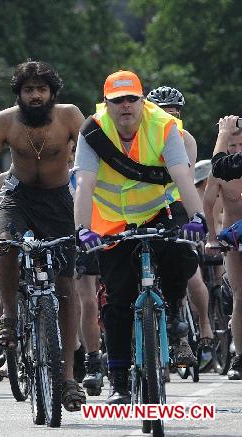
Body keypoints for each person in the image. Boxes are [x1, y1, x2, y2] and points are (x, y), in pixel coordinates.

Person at [73, 70, 205, 404]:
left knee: (182, 254)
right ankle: (118, 379)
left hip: (161, 208)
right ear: (107, 104)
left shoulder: (163, 126)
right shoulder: (92, 132)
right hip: (113, 220)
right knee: (117, 300)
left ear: (142, 100)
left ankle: (174, 311)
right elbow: (84, 186)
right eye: (117, 101)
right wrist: (82, 230)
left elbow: (183, 179)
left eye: (132, 98)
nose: (126, 106)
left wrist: (199, 218)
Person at [0, 60, 86, 411]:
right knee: (4, 244)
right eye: (28, 90)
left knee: (66, 288)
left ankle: (67, 378)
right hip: (17, 198)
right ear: (18, 94)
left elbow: (96, 160)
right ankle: (8, 315)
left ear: (52, 93)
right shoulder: (3, 122)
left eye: (41, 90)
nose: (35, 95)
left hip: (60, 202)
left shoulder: (69, 116)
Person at [147, 86, 214, 361]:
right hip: (138, 210)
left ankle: (195, 329)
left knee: (189, 270)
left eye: (173, 115)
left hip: (174, 208)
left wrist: (196, 221)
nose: (168, 120)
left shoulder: (185, 139)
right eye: (162, 114)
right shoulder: (140, 139)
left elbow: (184, 180)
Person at [205, 115, 242, 379]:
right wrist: (212, 237)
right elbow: (208, 203)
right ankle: (240, 356)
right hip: (233, 237)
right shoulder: (221, 170)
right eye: (232, 145)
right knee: (241, 295)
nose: (236, 150)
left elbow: (221, 164)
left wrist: (223, 133)